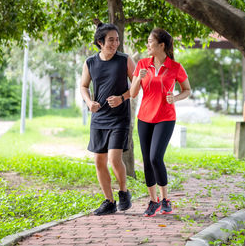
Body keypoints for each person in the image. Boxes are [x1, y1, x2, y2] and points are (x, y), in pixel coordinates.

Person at [130, 28, 191, 217]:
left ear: (161, 45)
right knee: (147, 160)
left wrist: (176, 98)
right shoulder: (142, 65)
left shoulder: (175, 67)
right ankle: (153, 201)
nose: (147, 45)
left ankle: (165, 199)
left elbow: (187, 89)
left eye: (150, 42)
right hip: (145, 118)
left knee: (156, 157)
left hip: (165, 117)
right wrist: (137, 79)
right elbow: (132, 94)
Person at [80, 22, 135, 216]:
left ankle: (123, 192)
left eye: (117, 40)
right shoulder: (90, 63)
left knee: (114, 158)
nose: (115, 43)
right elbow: (84, 86)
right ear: (100, 42)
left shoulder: (125, 60)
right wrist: (89, 102)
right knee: (99, 161)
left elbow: (137, 86)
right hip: (99, 117)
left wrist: (122, 98)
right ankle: (109, 201)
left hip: (119, 118)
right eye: (111, 40)